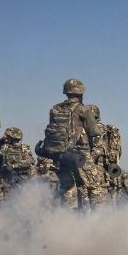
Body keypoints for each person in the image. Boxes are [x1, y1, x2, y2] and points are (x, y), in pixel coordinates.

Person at [45, 78, 106, 211]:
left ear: (66, 92)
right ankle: (100, 217)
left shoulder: (55, 109)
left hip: (61, 155)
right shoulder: (84, 109)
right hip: (80, 155)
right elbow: (94, 132)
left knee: (68, 187)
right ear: (81, 92)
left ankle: (68, 218)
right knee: (95, 186)